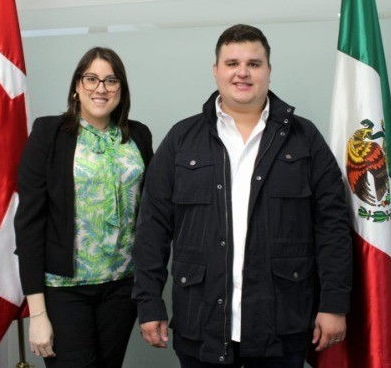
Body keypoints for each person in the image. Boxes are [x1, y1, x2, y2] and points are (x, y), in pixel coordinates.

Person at [132, 24, 352, 368]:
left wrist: (334, 303)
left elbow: (333, 226)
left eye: (254, 63)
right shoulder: (181, 139)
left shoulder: (304, 138)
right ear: (216, 70)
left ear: (268, 70)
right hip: (199, 325)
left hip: (282, 326)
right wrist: (149, 303)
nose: (242, 72)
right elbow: (152, 229)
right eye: (232, 62)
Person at [14, 47, 153, 368]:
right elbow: (29, 224)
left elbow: (153, 211)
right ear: (77, 86)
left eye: (111, 80)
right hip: (64, 291)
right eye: (91, 79)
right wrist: (37, 314)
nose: (100, 89)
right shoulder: (49, 133)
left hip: (122, 287)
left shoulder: (138, 136)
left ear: (122, 88)